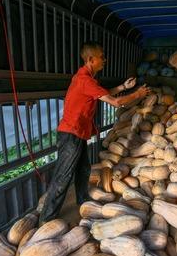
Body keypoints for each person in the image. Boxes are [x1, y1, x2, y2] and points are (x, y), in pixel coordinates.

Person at [38, 41, 151, 224]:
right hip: (70, 134)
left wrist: (123, 87)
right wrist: (137, 94)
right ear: (91, 59)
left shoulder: (88, 80)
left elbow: (103, 93)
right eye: (101, 57)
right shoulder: (85, 80)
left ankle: (82, 200)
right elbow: (115, 103)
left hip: (78, 134)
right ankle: (47, 219)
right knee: (63, 176)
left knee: (83, 169)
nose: (104, 60)